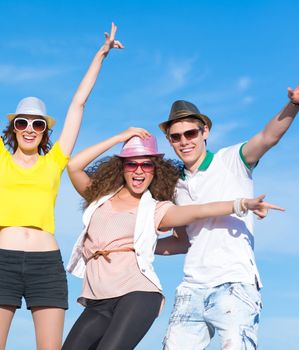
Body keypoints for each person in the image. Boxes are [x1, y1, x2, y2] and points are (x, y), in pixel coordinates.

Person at [0, 8, 124, 349]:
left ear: (45, 131)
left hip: (46, 264)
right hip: (3, 263)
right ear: (13, 127)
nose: (29, 129)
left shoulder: (54, 161)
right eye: (22, 122)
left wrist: (100, 57)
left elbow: (78, 104)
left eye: (37, 124)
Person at [63, 129, 282, 350]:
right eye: (131, 164)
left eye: (146, 165)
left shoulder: (156, 209)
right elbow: (73, 166)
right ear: (122, 168)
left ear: (154, 171)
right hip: (98, 301)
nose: (139, 171)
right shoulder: (100, 198)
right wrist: (119, 138)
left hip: (137, 295)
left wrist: (241, 204)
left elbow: (199, 211)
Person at [156, 66, 299, 349]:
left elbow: (268, 137)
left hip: (234, 284)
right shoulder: (175, 187)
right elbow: (182, 241)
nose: (184, 141)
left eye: (191, 133)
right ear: (169, 140)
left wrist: (295, 103)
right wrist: (138, 244)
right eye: (176, 137)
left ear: (205, 131)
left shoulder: (231, 160)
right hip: (191, 288)